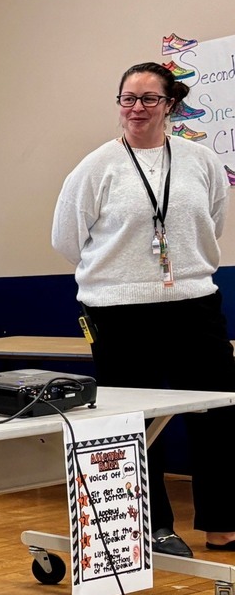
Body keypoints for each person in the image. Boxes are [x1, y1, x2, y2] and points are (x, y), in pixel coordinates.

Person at [52, 60, 235, 558]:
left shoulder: (200, 162)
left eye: (148, 99)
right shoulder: (96, 166)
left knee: (218, 412)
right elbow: (67, 240)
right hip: (118, 310)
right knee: (131, 419)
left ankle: (223, 523)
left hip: (194, 302)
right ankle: (152, 528)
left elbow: (210, 224)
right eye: (127, 99)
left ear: (169, 105)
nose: (136, 108)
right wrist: (122, 273)